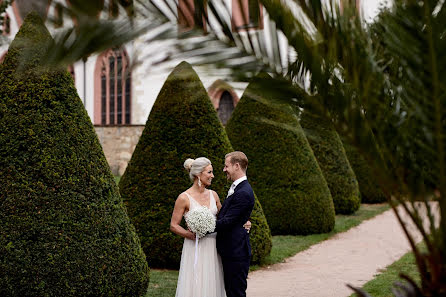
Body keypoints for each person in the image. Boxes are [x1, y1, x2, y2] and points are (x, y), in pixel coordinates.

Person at [170, 157, 251, 297]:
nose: (213, 175)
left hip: (214, 247)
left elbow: (225, 218)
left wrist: (243, 220)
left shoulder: (214, 195)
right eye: (209, 172)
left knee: (213, 282)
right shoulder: (183, 198)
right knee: (196, 283)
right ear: (198, 174)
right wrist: (190, 235)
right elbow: (173, 225)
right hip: (195, 247)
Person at [216, 151, 255, 297]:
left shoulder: (243, 191)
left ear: (236, 166)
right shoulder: (238, 188)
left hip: (236, 252)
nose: (224, 169)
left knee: (236, 293)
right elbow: (236, 216)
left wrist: (202, 227)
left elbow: (227, 221)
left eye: (226, 166)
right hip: (232, 250)